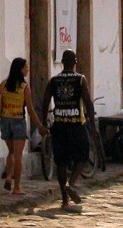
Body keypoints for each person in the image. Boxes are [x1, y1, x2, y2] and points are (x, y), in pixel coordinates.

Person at [40, 50, 97, 209]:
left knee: (61, 162)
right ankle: (71, 183)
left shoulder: (54, 80)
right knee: (83, 156)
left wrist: (43, 123)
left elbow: (45, 102)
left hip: (59, 125)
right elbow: (88, 103)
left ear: (62, 62)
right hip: (76, 125)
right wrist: (92, 125)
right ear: (75, 62)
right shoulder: (80, 80)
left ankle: (64, 200)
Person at [0, 58, 46, 195]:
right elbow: (30, 110)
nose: (28, 69)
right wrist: (39, 126)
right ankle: (17, 187)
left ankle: (9, 176)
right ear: (21, 69)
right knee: (18, 155)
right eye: (26, 67)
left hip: (5, 120)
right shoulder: (24, 88)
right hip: (18, 121)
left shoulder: (3, 85)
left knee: (10, 152)